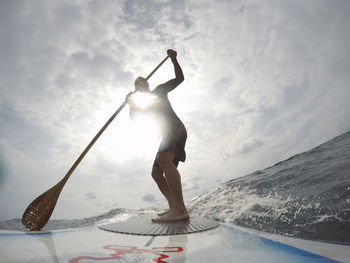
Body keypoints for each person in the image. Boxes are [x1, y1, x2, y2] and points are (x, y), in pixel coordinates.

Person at [127, 49, 189, 222]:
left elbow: (179, 79)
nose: (141, 85)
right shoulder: (141, 106)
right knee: (156, 173)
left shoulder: (159, 91)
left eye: (143, 82)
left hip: (175, 130)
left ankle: (180, 210)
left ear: (147, 85)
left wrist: (174, 60)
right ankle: (173, 207)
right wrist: (130, 105)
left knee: (164, 161)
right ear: (136, 89)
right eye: (137, 84)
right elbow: (135, 121)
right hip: (167, 136)